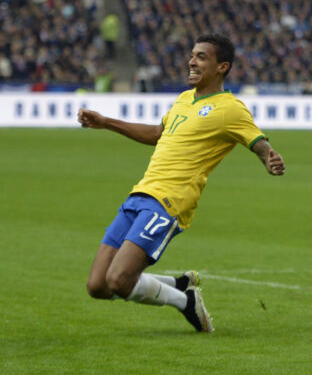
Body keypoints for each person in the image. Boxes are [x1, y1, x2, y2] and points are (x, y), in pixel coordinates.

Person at [79, 34, 286, 332]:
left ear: (222, 67)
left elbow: (257, 140)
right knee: (98, 286)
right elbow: (156, 134)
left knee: (118, 281)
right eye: (192, 55)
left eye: (201, 56)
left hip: (168, 202)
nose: (191, 61)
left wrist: (269, 158)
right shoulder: (184, 98)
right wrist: (106, 122)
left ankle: (185, 302)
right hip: (139, 195)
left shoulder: (230, 108)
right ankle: (179, 285)